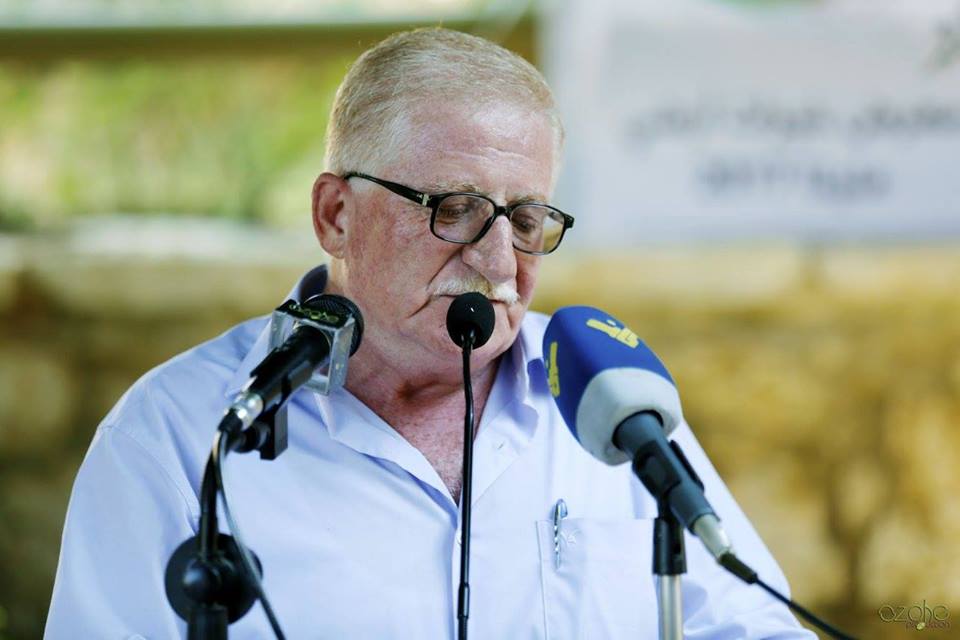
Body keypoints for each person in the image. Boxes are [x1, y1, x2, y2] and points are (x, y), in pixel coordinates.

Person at [46, 28, 815, 639]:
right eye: (454, 208)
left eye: (525, 219)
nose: (497, 260)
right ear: (335, 216)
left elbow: (752, 626)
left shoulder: (605, 395)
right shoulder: (177, 434)